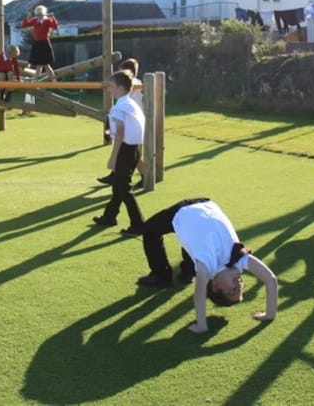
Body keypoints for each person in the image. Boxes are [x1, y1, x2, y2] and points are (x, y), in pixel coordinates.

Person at [136, 198, 278, 334]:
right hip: (205, 202)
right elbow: (270, 279)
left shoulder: (206, 265)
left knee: (149, 229)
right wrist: (269, 314)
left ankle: (162, 275)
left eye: (233, 290)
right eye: (241, 289)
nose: (240, 285)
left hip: (181, 211)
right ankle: (186, 271)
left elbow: (199, 295)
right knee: (195, 248)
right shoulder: (240, 259)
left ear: (216, 286)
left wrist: (201, 326)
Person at [92, 71, 146, 236]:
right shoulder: (131, 103)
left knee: (123, 188)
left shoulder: (119, 107)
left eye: (112, 87)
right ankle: (110, 216)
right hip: (135, 148)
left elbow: (120, 134)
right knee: (119, 185)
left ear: (121, 88)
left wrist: (113, 158)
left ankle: (138, 224)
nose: (109, 90)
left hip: (126, 150)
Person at [97, 58, 146, 189]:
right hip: (128, 121)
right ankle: (118, 176)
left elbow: (120, 133)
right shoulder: (126, 89)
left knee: (127, 156)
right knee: (129, 158)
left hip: (129, 122)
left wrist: (112, 157)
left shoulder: (133, 83)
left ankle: (143, 174)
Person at [21, 5, 59, 80]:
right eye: (37, 15)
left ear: (43, 14)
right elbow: (25, 25)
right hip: (37, 44)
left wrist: (52, 18)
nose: (39, 16)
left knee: (46, 65)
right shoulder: (35, 21)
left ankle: (54, 80)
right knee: (38, 66)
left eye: (40, 14)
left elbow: (55, 26)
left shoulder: (47, 20)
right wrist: (27, 17)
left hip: (44, 43)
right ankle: (34, 82)